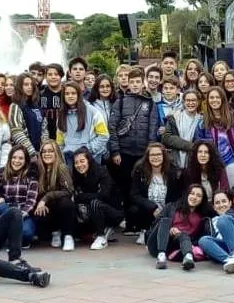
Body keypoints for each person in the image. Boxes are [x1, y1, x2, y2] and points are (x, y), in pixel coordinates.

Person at [109, 67, 161, 202]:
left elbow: (152, 129)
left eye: (138, 82)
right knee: (125, 185)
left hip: (142, 153)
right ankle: (126, 217)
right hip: (124, 152)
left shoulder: (150, 103)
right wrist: (115, 151)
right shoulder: (120, 102)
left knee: (142, 186)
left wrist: (149, 152)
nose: (135, 85)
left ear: (143, 83)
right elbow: (112, 127)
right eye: (132, 82)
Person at [148, 185, 208, 271]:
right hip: (157, 243)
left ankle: (188, 258)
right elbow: (155, 223)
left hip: (178, 244)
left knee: (183, 234)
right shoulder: (171, 207)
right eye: (192, 193)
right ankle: (161, 256)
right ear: (187, 194)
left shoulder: (203, 216)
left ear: (202, 199)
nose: (194, 197)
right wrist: (170, 228)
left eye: (198, 196)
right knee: (165, 221)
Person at [71, 150, 120, 250]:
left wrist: (80, 197)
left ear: (88, 160)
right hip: (91, 211)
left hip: (112, 211)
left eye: (82, 161)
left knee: (95, 203)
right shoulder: (77, 175)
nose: (79, 165)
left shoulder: (102, 172)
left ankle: (101, 236)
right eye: (76, 162)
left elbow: (103, 195)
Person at [59, 82, 108, 164]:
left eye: (73, 93)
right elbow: (60, 141)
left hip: (91, 157)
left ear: (79, 94)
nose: (70, 96)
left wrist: (88, 149)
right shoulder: (61, 114)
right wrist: (62, 154)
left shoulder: (93, 112)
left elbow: (104, 135)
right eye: (67, 94)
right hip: (70, 158)